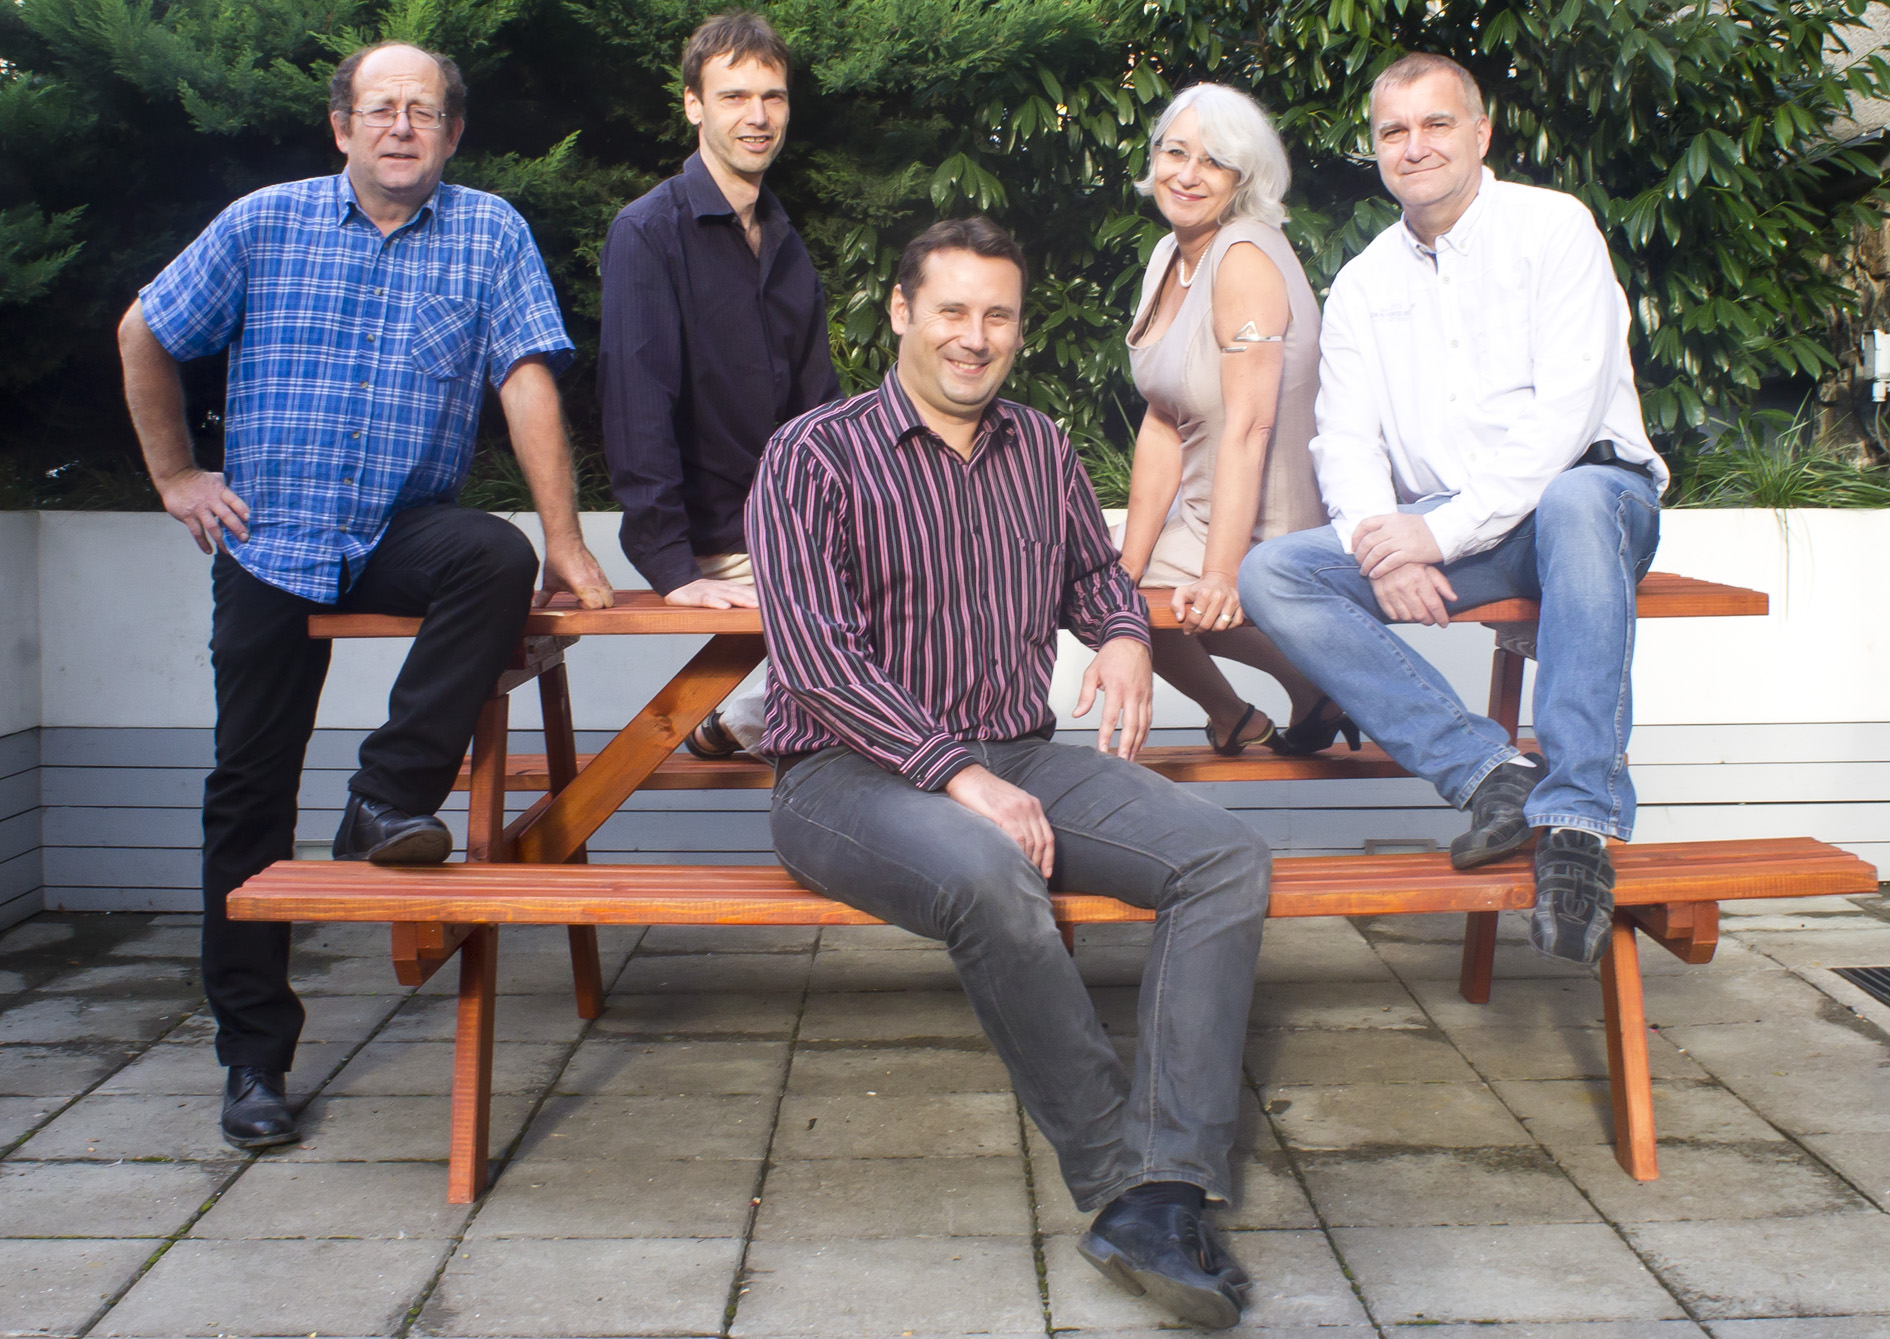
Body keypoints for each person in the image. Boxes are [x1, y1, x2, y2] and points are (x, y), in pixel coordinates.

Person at [750, 217, 1269, 1330]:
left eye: (998, 315)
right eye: (952, 310)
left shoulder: (1039, 445)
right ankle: (1124, 1182)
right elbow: (817, 659)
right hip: (844, 775)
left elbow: (1096, 574)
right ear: (902, 312)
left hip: (1019, 751)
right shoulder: (811, 454)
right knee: (993, 875)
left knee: (1224, 858)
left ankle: (1166, 1187)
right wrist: (954, 774)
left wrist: (1123, 633)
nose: (974, 336)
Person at [117, 41, 614, 1150]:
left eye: (423, 111)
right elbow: (144, 330)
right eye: (380, 108)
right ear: (341, 127)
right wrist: (176, 475)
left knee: (493, 557)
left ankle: (385, 797)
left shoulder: (489, 233)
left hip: (399, 526)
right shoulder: (264, 223)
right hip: (270, 538)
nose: (402, 126)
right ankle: (253, 1057)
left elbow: (525, 377)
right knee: (247, 791)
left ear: (452, 134)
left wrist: (567, 541)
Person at [1239, 53, 1666, 963]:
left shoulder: (1554, 227)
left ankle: (1578, 820)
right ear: (1377, 150)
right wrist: (1383, 543)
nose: (1415, 146)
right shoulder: (1364, 283)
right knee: (1276, 571)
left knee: (1576, 497)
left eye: (1436, 124)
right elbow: (1343, 440)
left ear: (1480, 132)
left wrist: (1432, 534)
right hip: (1455, 525)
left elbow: (1563, 420)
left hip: (1593, 500)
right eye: (1393, 131)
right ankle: (1490, 772)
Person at [599, 9, 840, 759]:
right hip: (716, 540)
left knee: (937, 562)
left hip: (790, 527)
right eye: (734, 96)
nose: (757, 116)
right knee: (909, 599)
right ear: (694, 106)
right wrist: (672, 569)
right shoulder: (648, 231)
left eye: (772, 97)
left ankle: (753, 719)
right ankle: (768, 730)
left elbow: (821, 409)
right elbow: (636, 405)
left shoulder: (783, 238)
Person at [1119, 84, 1355, 758]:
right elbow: (1162, 419)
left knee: (1119, 602)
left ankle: (1303, 688)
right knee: (1104, 587)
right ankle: (1249, 711)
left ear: (1244, 177)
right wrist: (1127, 561)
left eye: (1215, 161)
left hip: (1265, 521)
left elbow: (1251, 428)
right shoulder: (1169, 257)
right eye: (1176, 152)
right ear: (1155, 157)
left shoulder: (1244, 256)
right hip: (1201, 511)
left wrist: (1222, 574)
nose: (1188, 174)